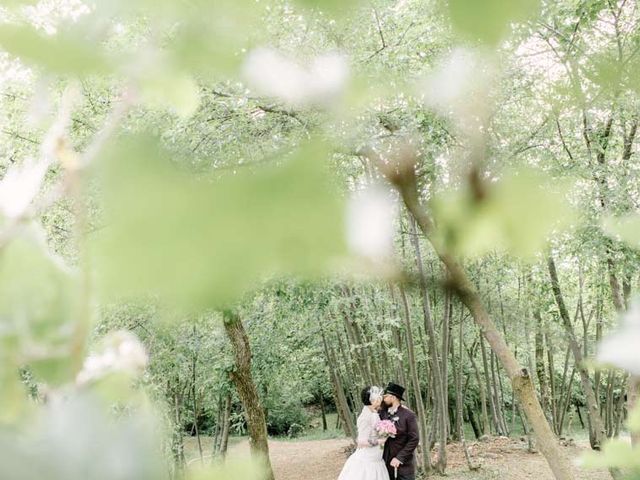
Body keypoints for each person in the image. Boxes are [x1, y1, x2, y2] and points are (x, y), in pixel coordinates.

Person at [337, 385, 390, 480]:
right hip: (368, 459)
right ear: (373, 401)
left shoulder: (373, 413)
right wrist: (380, 441)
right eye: (378, 399)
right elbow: (361, 441)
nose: (380, 401)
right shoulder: (365, 417)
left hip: (376, 457)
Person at [379, 382, 419, 480]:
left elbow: (414, 439)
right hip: (385, 463)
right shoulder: (382, 413)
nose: (383, 399)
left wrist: (400, 458)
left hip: (404, 465)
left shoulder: (409, 415)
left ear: (393, 397)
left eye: (386, 396)